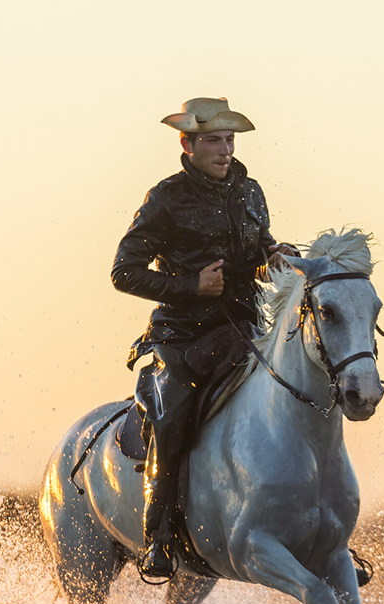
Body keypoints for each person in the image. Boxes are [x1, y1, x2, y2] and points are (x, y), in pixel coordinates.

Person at [112, 97, 296, 578]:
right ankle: (157, 538)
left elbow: (254, 252)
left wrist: (272, 255)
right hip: (182, 337)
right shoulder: (165, 198)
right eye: (214, 140)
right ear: (187, 143)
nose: (225, 149)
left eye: (230, 140)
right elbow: (123, 272)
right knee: (172, 419)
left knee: (304, 394)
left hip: (246, 329)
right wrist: (191, 286)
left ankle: (321, 527)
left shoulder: (251, 192)